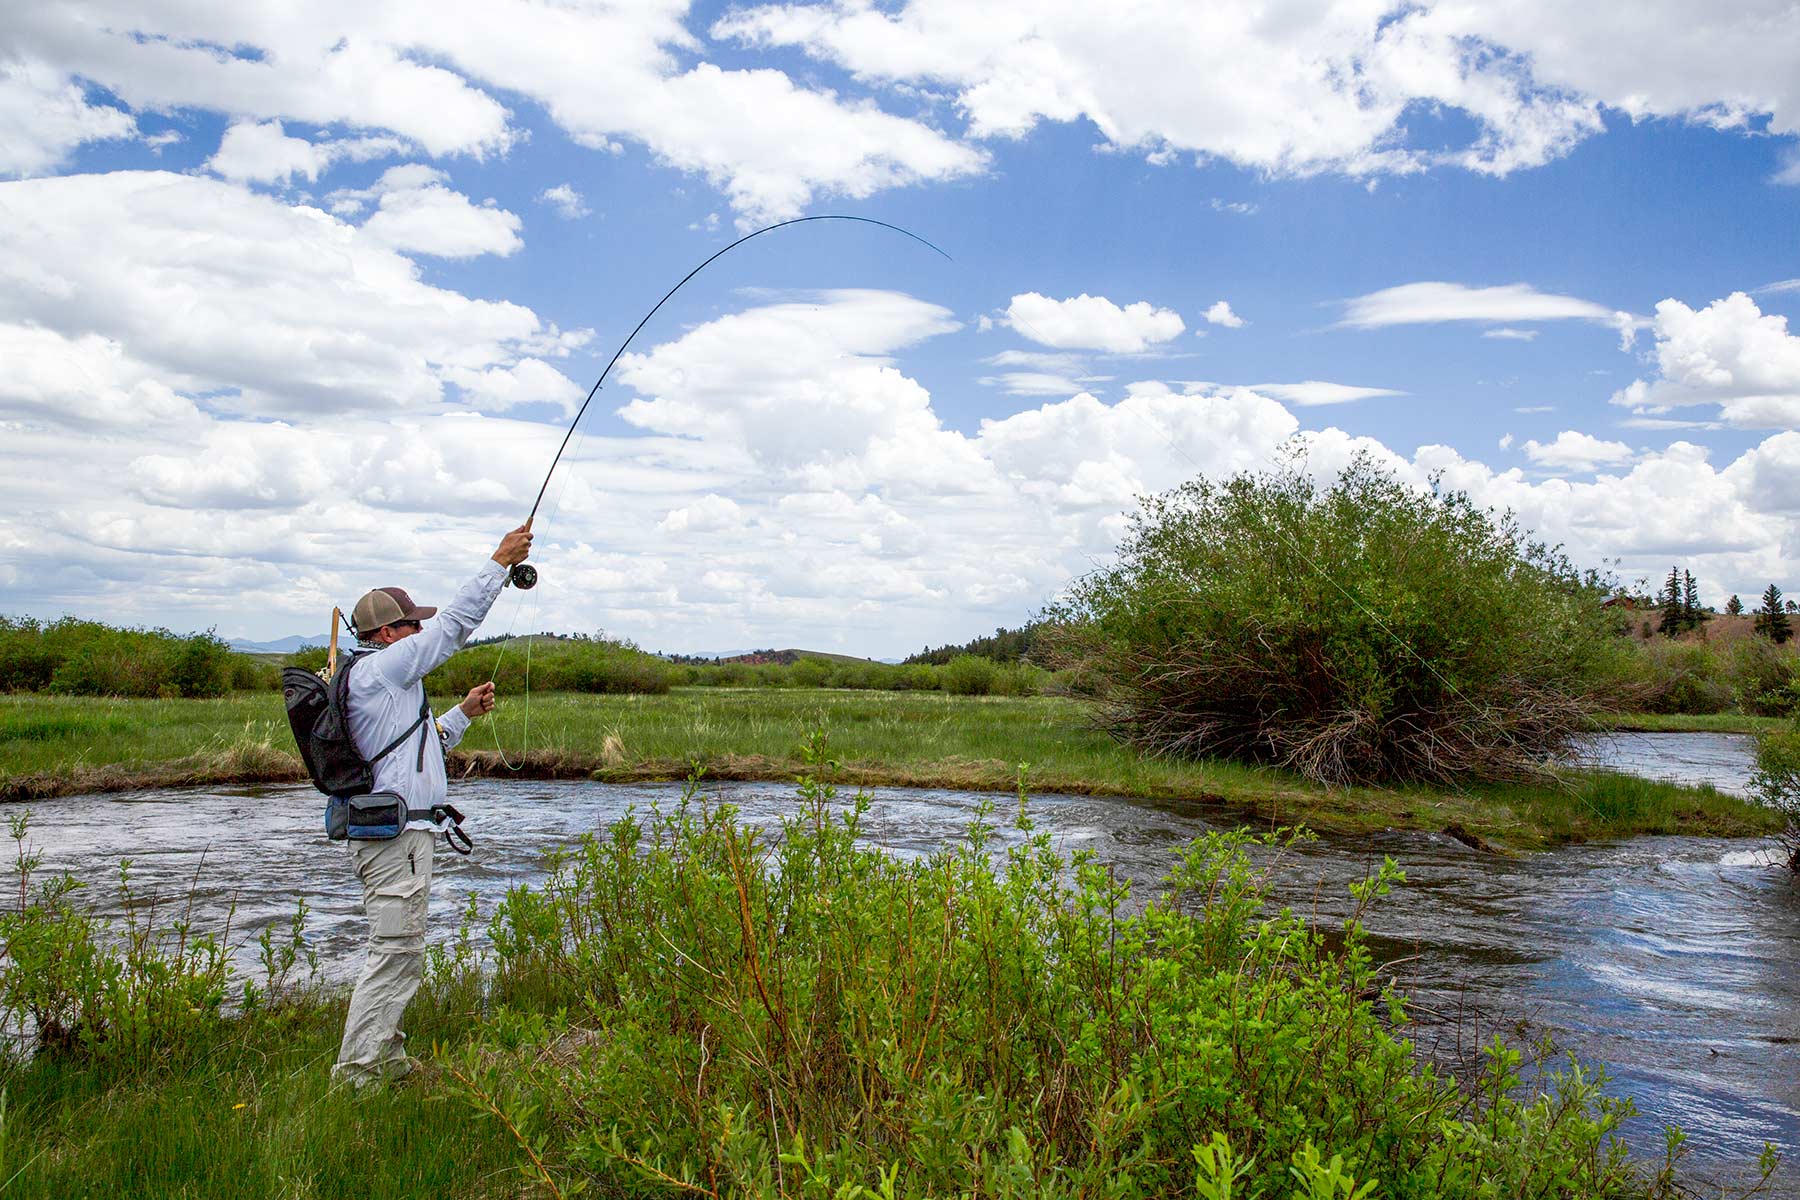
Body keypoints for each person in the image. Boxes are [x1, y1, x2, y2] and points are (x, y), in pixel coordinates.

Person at [331, 523, 532, 1087]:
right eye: (411, 623)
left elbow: (419, 753)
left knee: (401, 951)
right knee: (394, 952)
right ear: (388, 633)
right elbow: (453, 629)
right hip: (395, 842)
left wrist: (463, 713)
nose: (420, 628)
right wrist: (497, 563)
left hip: (402, 837)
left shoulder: (385, 684)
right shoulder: (381, 669)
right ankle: (358, 1077)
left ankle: (386, 1062)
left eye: (419, 621)